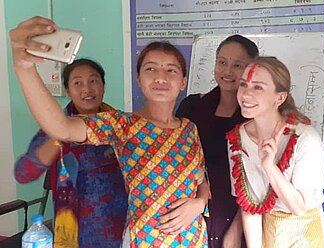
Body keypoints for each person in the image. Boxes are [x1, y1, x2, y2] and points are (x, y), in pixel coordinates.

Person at [10, 16, 209, 247]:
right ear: (139, 79)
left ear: (183, 81)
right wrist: (24, 67)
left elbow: (201, 179)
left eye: (171, 70)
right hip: (144, 239)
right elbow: (61, 127)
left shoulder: (189, 129)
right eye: (150, 68)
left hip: (193, 238)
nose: (160, 77)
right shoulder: (122, 125)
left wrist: (200, 203)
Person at [14, 58, 128, 248]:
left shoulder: (122, 125)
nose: (87, 89)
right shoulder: (53, 129)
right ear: (68, 90)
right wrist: (61, 134)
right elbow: (23, 173)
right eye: (77, 83)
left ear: (103, 85)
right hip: (77, 231)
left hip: (121, 224)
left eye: (93, 81)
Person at [226, 56, 324, 247]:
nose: (246, 94)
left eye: (258, 87)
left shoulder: (304, 137)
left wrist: (269, 166)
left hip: (304, 233)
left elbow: (299, 208)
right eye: (243, 84)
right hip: (269, 230)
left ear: (280, 98)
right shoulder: (237, 138)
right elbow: (249, 206)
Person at [176, 34, 258, 248]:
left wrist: (238, 227)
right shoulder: (192, 107)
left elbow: (258, 182)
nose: (227, 71)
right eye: (222, 62)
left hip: (240, 215)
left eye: (237, 65)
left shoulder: (255, 117)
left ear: (252, 69)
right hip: (193, 211)